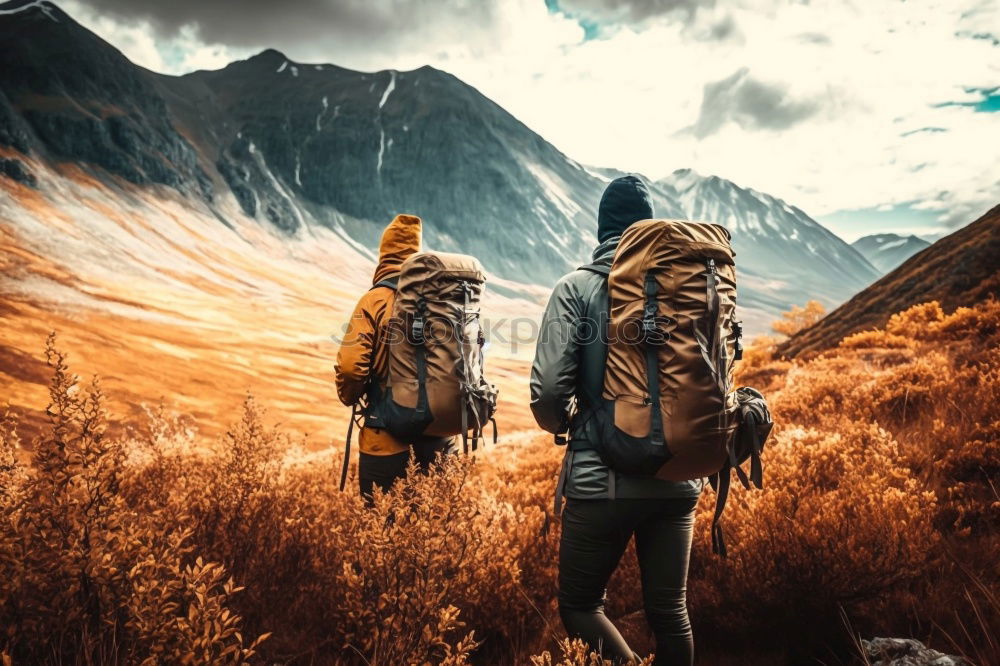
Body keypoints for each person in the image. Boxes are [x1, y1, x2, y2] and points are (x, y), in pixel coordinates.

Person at [530, 176, 702, 666]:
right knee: (671, 612)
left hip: (601, 479)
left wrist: (566, 422)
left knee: (581, 606)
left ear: (603, 228)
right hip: (680, 475)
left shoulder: (577, 287)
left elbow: (546, 391)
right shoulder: (687, 286)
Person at [335, 213, 455, 499]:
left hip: (386, 440)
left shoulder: (374, 300)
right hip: (439, 437)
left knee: (383, 534)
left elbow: (352, 368)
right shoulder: (442, 298)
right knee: (436, 532)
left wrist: (351, 396)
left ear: (383, 254)